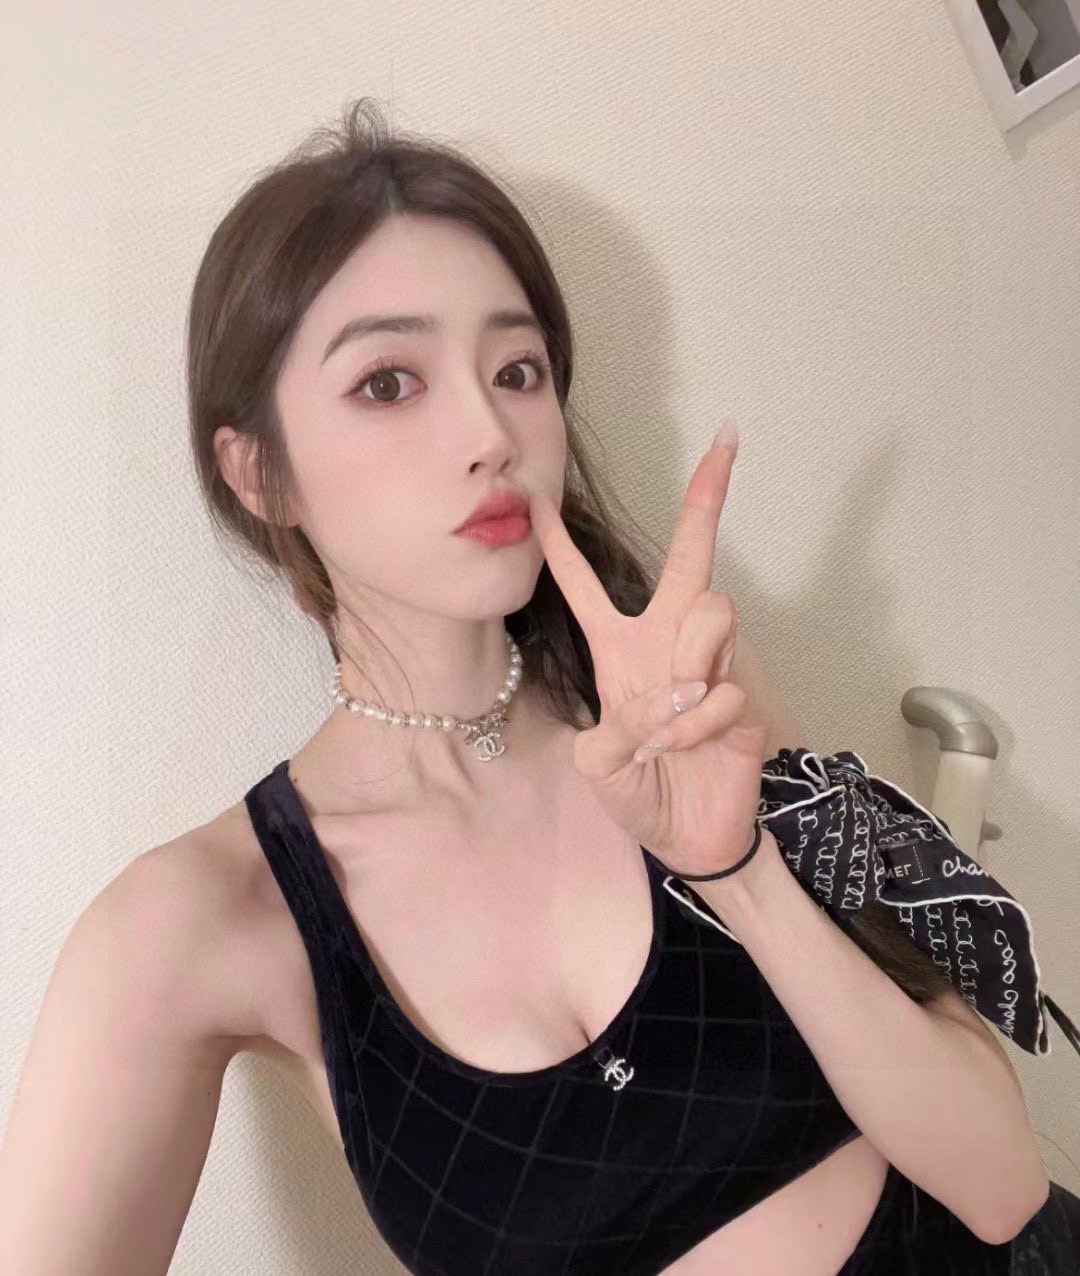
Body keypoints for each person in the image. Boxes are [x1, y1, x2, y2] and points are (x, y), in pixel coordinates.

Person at [2, 98, 1077, 1276]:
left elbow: (1003, 1188)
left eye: (516, 370)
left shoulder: (685, 695)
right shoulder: (202, 917)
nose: (489, 431)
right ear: (261, 472)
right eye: (388, 382)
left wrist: (741, 871)